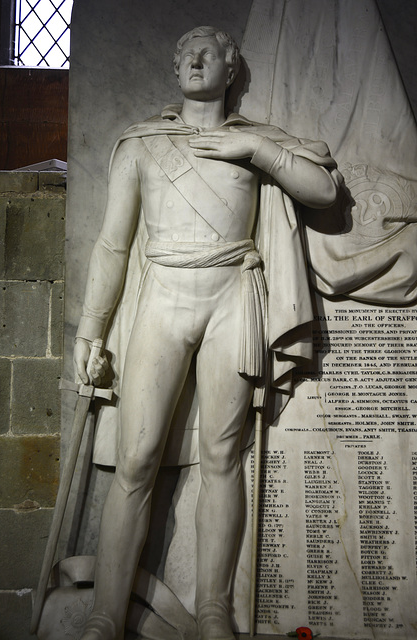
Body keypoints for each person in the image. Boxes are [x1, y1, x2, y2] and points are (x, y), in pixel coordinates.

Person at [74, 26, 341, 640]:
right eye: (185, 52)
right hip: (165, 296)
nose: (194, 58)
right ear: (175, 71)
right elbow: (114, 245)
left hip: (232, 298)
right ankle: (105, 615)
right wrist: (90, 333)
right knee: (137, 460)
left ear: (230, 66)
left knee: (224, 458)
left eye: (208, 50)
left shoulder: (257, 143)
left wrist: (256, 152)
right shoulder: (143, 144)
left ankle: (214, 609)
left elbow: (324, 190)